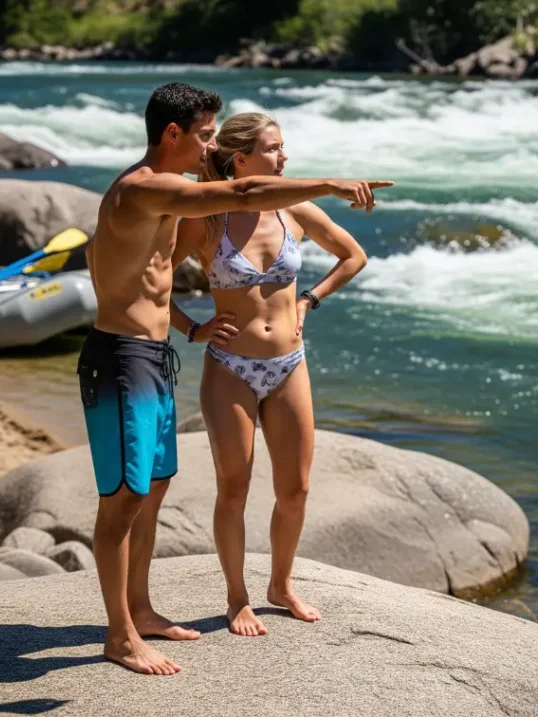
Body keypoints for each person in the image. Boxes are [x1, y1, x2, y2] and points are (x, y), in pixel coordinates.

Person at [80, 84, 392, 675]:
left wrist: (304, 302)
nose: (212, 147)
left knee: (153, 489)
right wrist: (330, 183)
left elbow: (99, 255)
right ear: (173, 133)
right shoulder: (149, 188)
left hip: (153, 355)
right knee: (123, 500)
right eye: (205, 135)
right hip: (124, 356)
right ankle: (120, 636)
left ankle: (140, 610)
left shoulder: (168, 195)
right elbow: (242, 190)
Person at [169, 112, 371, 637]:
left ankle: (281, 585)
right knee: (233, 489)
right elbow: (151, 279)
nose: (285, 157)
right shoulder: (207, 218)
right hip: (229, 368)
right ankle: (237, 597)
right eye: (274, 148)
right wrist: (192, 329)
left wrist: (309, 300)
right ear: (241, 159)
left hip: (289, 364)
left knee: (296, 488)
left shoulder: (294, 209)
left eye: (283, 147)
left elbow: (353, 256)